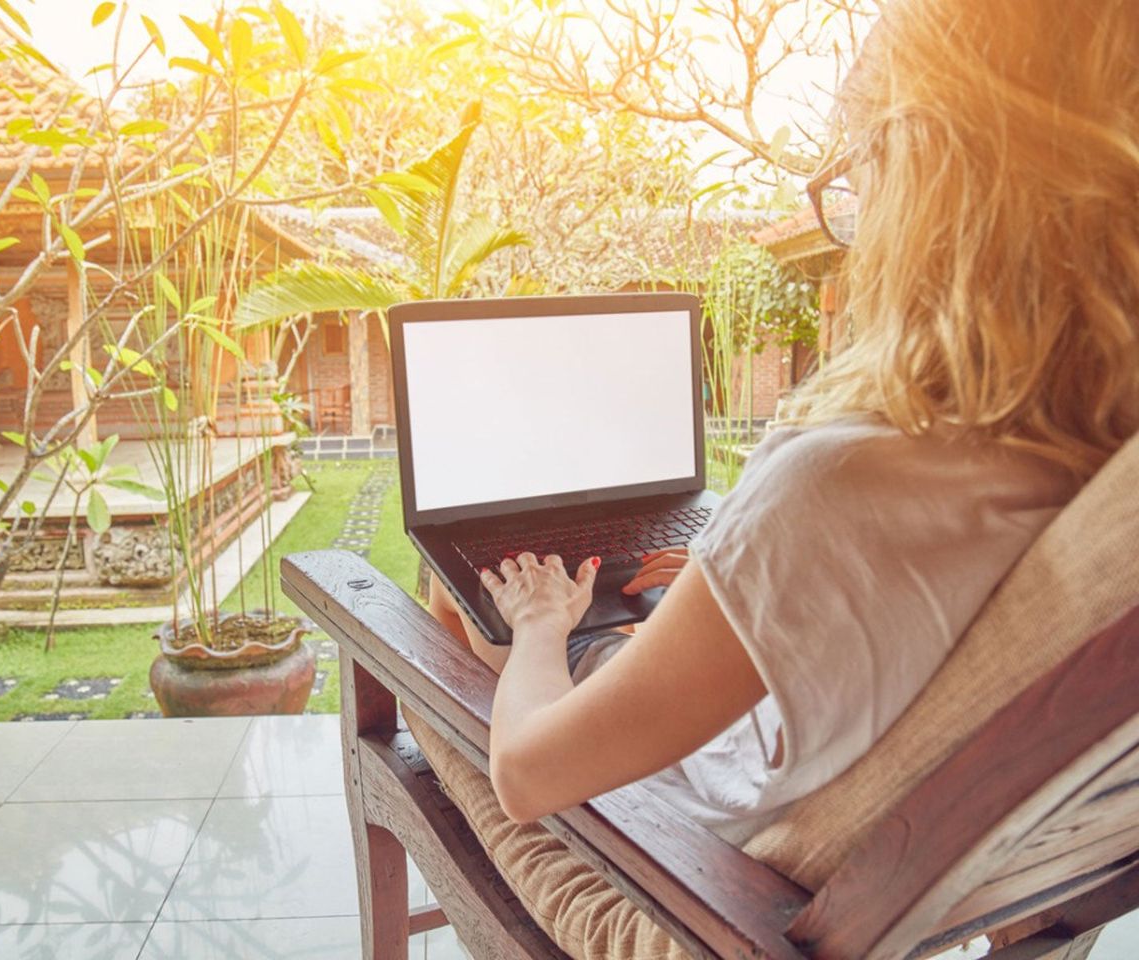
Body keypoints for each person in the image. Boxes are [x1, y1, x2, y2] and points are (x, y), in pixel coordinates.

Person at [427, 0, 1139, 840]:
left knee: (457, 596)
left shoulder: (839, 483)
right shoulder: (1077, 457)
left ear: (925, 184)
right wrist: (733, 564)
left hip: (689, 857)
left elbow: (525, 773)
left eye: (859, 164)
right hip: (790, 749)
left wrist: (544, 622)